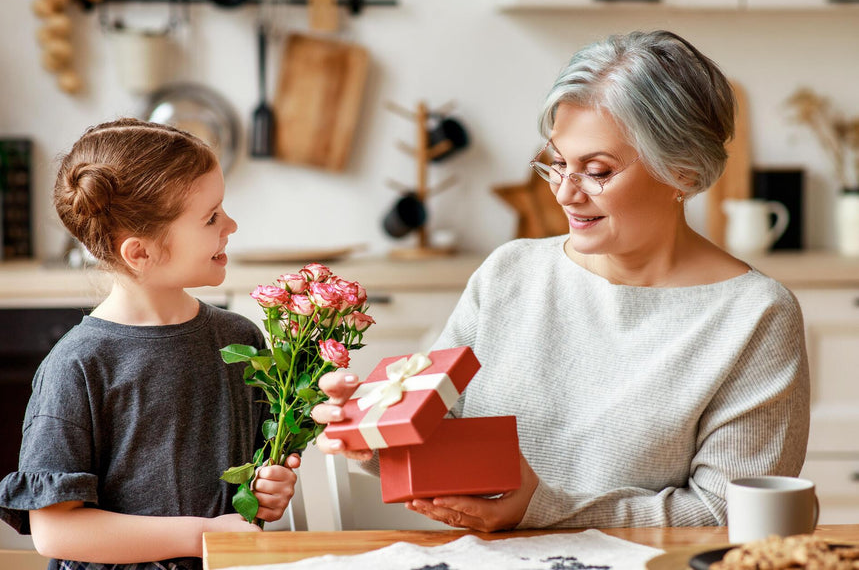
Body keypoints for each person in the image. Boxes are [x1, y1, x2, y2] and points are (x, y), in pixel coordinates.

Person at [311, 30, 810, 531]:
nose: (566, 193)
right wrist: (374, 433)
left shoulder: (755, 316)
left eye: (597, 171)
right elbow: (443, 440)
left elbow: (725, 514)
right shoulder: (510, 273)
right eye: (557, 163)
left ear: (681, 171)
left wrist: (542, 510)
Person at [0, 118, 300, 569]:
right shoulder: (77, 366)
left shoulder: (240, 340)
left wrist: (272, 488)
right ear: (140, 253)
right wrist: (204, 535)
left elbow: (256, 482)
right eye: (211, 217)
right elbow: (56, 531)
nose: (230, 224)